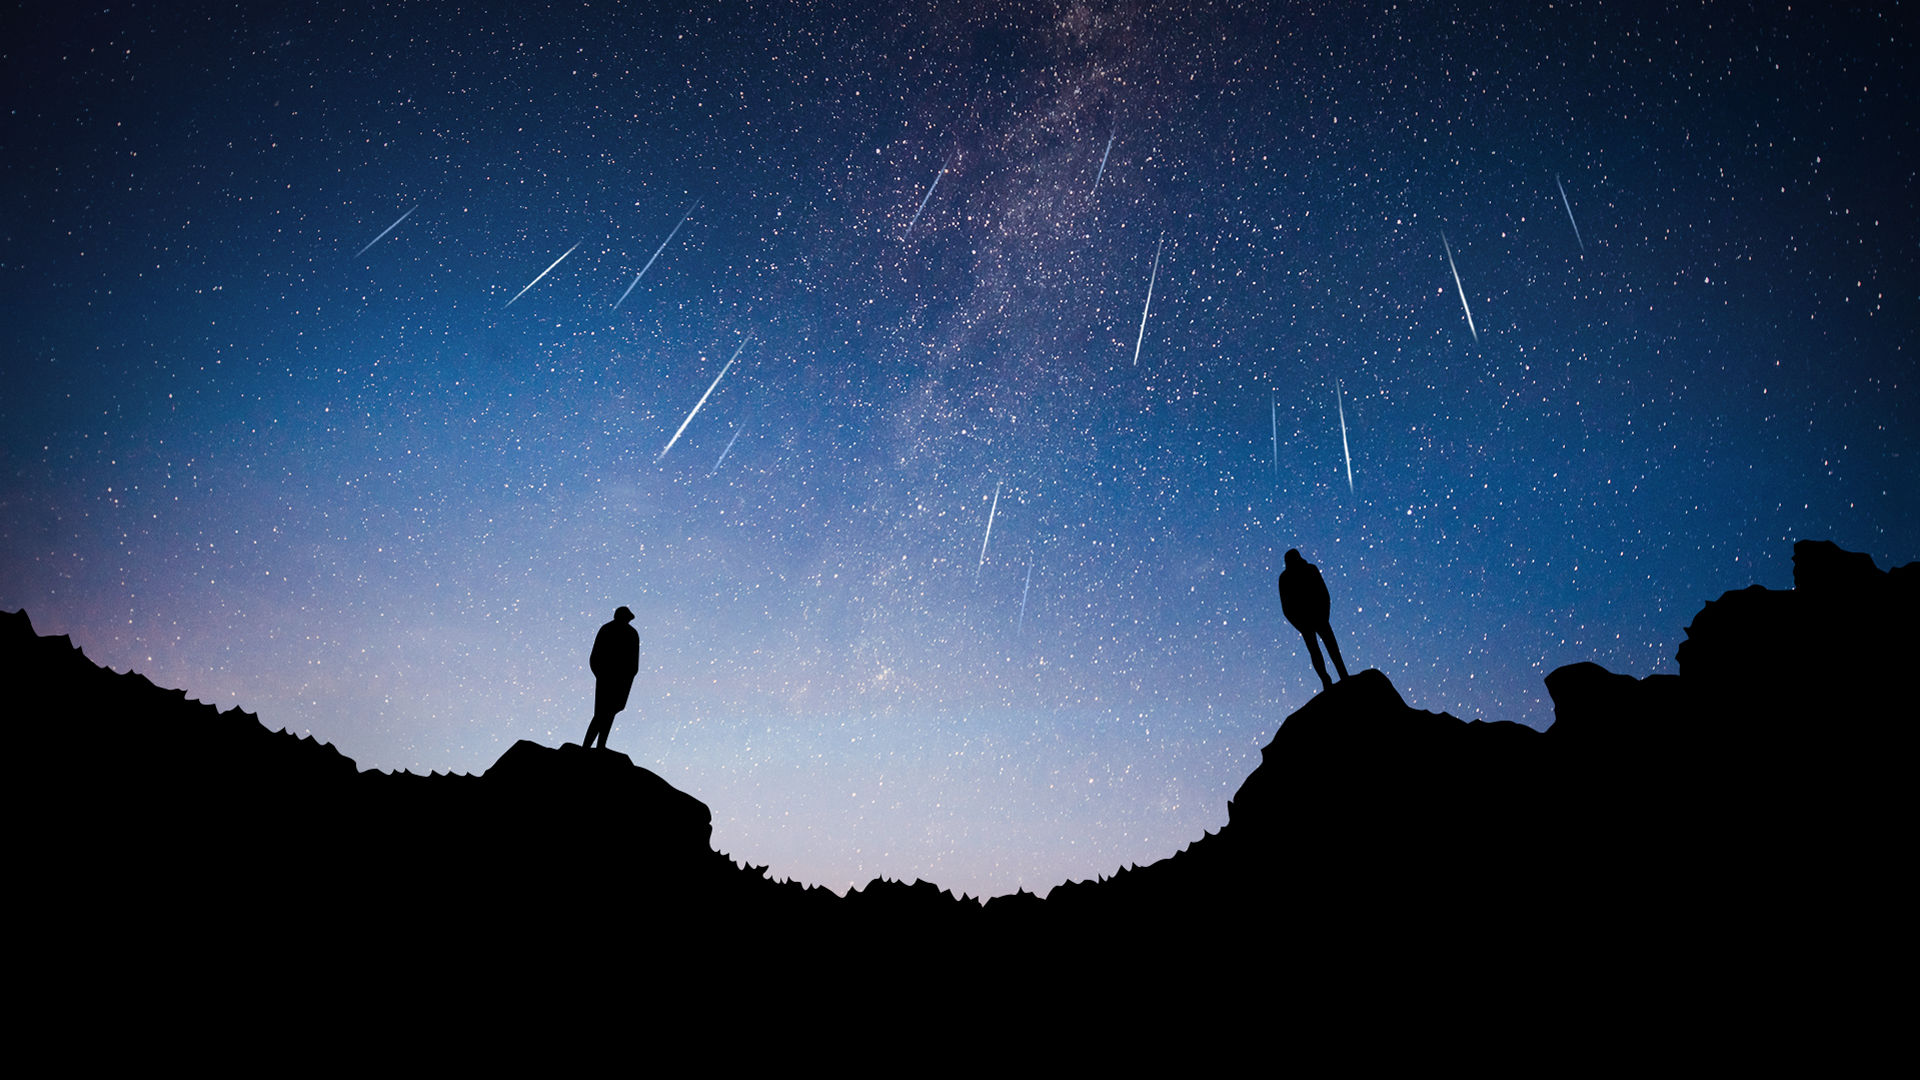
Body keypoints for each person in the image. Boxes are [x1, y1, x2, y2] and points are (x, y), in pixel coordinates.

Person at [1278, 549, 1349, 692]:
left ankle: (1342, 676)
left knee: (1330, 648)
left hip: (1318, 616)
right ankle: (1326, 680)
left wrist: (1324, 614)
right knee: (1319, 651)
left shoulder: (1307, 570)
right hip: (1306, 621)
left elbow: (1323, 593)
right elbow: (1286, 607)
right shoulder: (1286, 578)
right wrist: (1300, 624)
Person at [582, 606, 640, 750]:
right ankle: (587, 746)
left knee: (610, 712)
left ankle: (600, 744)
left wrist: (628, 675)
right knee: (601, 713)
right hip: (607, 677)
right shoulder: (609, 629)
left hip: (620, 679)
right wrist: (601, 674)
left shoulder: (631, 633)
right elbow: (595, 656)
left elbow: (633, 660)